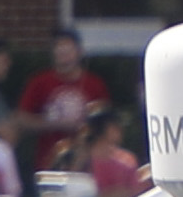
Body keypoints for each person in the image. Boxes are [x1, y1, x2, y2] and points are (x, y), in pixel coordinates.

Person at [13, 25, 111, 179]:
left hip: (88, 167)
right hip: (49, 164)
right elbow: (22, 119)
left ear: (79, 51)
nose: (62, 51)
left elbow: (106, 123)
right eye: (58, 46)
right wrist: (55, 123)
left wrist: (84, 127)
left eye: (67, 47)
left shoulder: (94, 84)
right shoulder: (40, 82)